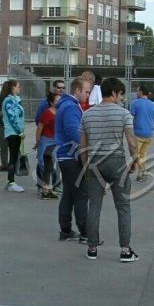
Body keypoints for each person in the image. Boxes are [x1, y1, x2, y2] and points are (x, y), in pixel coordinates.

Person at [80, 77, 139, 261]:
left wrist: (86, 167)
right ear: (114, 93)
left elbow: (83, 146)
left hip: (94, 162)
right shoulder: (123, 114)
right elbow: (131, 142)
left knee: (94, 206)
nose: (121, 98)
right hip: (116, 161)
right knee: (123, 206)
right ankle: (125, 250)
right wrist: (135, 161)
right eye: (120, 94)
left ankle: (92, 248)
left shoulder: (87, 114)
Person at [54, 76, 89, 238]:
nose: (88, 95)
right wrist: (86, 147)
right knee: (81, 193)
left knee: (68, 193)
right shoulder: (71, 107)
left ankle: (66, 230)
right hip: (71, 156)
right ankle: (85, 232)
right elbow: (72, 131)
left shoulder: (67, 105)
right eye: (86, 92)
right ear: (77, 90)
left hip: (65, 156)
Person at [35, 81, 63, 197]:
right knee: (42, 163)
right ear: (51, 102)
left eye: (60, 101)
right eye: (56, 101)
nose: (59, 103)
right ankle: (41, 186)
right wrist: (38, 141)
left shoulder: (62, 113)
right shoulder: (47, 113)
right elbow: (40, 127)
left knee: (55, 164)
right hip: (46, 140)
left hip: (56, 141)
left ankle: (56, 185)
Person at [0, 80, 27, 192]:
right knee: (13, 158)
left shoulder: (15, 100)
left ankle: (11, 182)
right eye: (18, 86)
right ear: (13, 87)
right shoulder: (8, 101)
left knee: (14, 158)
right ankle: (11, 183)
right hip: (13, 133)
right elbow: (13, 118)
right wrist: (20, 132)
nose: (20, 88)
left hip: (15, 133)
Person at [128, 86, 154, 178]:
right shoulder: (153, 105)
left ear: (141, 92)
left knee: (135, 154)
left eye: (137, 91)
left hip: (138, 133)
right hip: (149, 134)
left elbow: (131, 119)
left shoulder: (135, 103)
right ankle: (141, 173)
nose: (136, 93)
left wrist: (128, 132)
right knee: (143, 154)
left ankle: (139, 169)